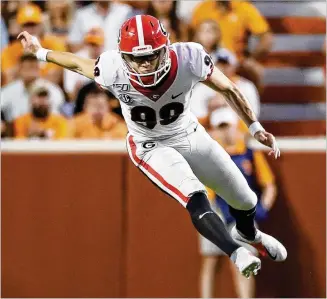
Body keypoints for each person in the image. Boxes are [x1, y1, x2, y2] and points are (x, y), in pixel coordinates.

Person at [18, 14, 286, 278]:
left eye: (150, 55)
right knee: (194, 195)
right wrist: (41, 52)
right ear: (123, 56)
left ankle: (250, 234)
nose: (144, 64)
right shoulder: (112, 67)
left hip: (188, 134)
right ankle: (236, 252)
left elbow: (228, 89)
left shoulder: (188, 58)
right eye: (135, 57)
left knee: (245, 199)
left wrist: (255, 127)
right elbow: (77, 63)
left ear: (166, 48)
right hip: (150, 145)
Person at [199, 107, 277, 298]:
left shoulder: (249, 153)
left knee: (245, 262)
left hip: (241, 213)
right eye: (221, 127)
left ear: (236, 127)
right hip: (215, 209)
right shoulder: (210, 155)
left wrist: (262, 208)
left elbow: (269, 184)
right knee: (211, 261)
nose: (225, 132)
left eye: (228, 126)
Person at [191, 0, 274, 91]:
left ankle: (249, 103)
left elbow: (267, 38)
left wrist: (251, 58)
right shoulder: (202, 8)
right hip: (207, 58)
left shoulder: (243, 7)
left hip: (237, 62)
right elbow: (190, 36)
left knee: (257, 70)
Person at [1, 3, 67, 85]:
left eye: (33, 24)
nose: (31, 29)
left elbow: (54, 77)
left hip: (46, 92)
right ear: (20, 27)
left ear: (41, 25)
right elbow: (9, 80)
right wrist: (25, 57)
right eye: (26, 25)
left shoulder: (54, 44)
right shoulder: (10, 50)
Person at [1, 53, 65, 123]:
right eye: (28, 66)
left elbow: (57, 118)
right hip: (17, 130)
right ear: (20, 68)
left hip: (45, 129)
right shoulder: (8, 90)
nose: (31, 69)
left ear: (38, 67)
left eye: (34, 65)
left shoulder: (53, 90)